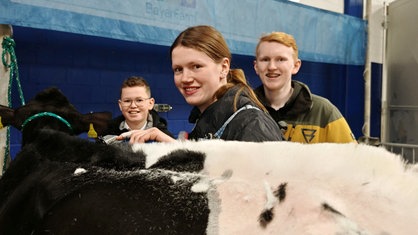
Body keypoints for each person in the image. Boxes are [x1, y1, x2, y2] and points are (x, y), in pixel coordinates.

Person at [123, 25, 283, 144]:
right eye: (178, 69)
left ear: (224, 67)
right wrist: (175, 149)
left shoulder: (253, 125)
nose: (185, 78)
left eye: (196, 66)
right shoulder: (207, 120)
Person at [253, 32, 356, 143]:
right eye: (265, 59)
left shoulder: (324, 112)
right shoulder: (243, 111)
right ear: (256, 66)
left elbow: (351, 157)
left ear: (296, 66)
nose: (272, 67)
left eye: (281, 59)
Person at [101, 76, 174, 144]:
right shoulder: (107, 135)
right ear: (120, 105)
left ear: (150, 103)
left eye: (139, 100)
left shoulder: (164, 137)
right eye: (127, 101)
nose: (133, 106)